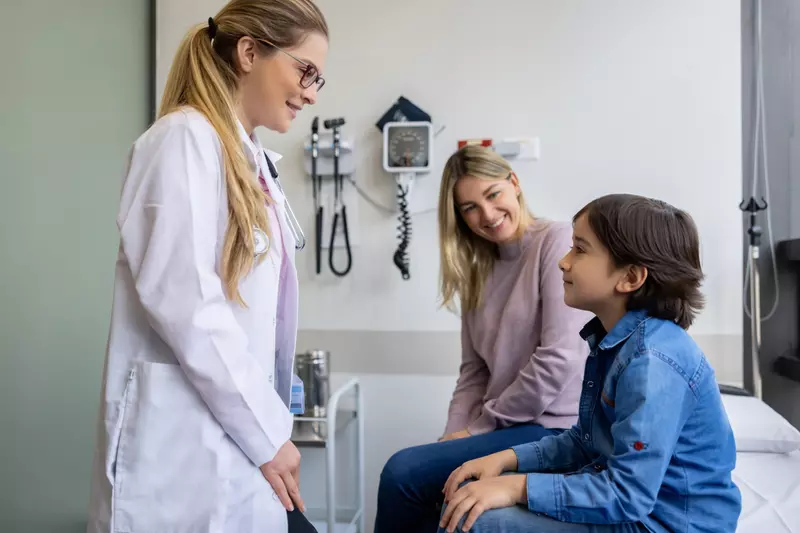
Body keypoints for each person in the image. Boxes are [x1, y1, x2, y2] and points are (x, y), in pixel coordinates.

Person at [85, 1, 328, 532]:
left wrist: (268, 431)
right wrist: (268, 435)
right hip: (186, 451)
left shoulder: (250, 159)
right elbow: (188, 306)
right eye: (305, 70)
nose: (311, 91)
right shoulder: (181, 140)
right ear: (249, 52)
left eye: (318, 79)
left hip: (235, 438)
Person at [438, 193, 742, 533]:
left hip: (661, 524)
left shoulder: (652, 363)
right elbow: (586, 441)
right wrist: (506, 458)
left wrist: (516, 487)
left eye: (579, 249)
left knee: (476, 519)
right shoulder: (615, 342)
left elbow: (628, 495)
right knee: (472, 493)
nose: (563, 262)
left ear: (630, 278)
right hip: (637, 508)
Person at [375, 145, 593, 533]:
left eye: (493, 195)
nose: (487, 215)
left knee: (402, 473)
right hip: (505, 427)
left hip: (553, 429)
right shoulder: (477, 268)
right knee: (434, 491)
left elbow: (559, 358)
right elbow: (473, 373)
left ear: (514, 183)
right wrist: (451, 436)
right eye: (469, 208)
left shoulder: (555, 242)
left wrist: (477, 429)